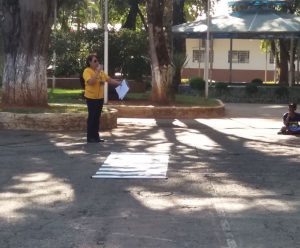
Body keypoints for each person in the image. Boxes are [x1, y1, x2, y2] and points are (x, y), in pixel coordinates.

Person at [83, 54, 120, 143]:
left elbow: (109, 80)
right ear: (90, 62)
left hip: (99, 98)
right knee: (92, 117)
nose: (97, 63)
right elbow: (91, 82)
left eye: (97, 61)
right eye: (95, 61)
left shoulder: (101, 72)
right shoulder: (87, 71)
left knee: (97, 117)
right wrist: (97, 71)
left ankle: (96, 137)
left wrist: (119, 83)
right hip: (91, 98)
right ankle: (90, 137)